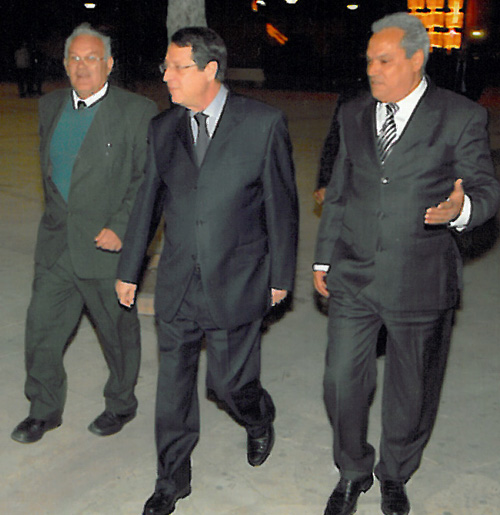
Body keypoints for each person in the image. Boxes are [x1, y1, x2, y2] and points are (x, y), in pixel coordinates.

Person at [313, 13, 500, 515]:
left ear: (417, 59)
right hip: (354, 271)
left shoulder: (461, 115)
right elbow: (339, 191)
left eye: (384, 61)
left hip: (421, 276)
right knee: (340, 382)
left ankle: (395, 472)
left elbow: (487, 189)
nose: (372, 70)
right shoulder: (354, 112)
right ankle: (353, 470)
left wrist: (461, 209)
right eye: (369, 61)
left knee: (412, 389)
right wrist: (324, 256)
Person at [116, 26, 298, 515]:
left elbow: (282, 206)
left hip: (236, 279)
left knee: (228, 385)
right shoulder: (163, 128)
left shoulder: (262, 123)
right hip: (178, 282)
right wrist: (130, 269)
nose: (167, 77)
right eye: (166, 67)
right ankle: (171, 480)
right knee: (173, 388)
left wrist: (281, 276)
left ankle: (257, 416)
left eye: (178, 67)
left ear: (210, 70)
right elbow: (148, 203)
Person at [11, 24, 157, 444]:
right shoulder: (50, 106)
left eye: (92, 58)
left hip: (105, 248)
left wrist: (123, 227)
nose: (82, 66)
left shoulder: (136, 111)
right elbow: (54, 172)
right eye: (74, 58)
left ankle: (121, 403)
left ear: (109, 64)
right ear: (64, 64)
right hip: (57, 245)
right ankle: (43, 409)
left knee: (117, 336)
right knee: (41, 330)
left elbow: (147, 180)